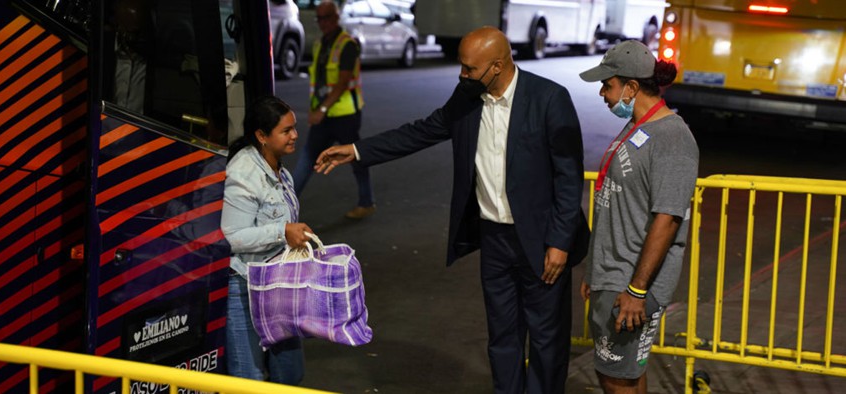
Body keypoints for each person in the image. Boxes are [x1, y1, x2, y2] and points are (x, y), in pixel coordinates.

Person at [314, 27, 590, 394]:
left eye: (469, 69)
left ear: (497, 66)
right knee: (502, 337)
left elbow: (569, 178)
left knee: (546, 339)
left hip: (542, 242)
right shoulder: (467, 97)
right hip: (494, 240)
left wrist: (560, 241)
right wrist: (357, 150)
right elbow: (420, 132)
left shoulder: (549, 98)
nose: (462, 75)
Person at [577, 40, 699, 393]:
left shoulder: (673, 138)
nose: (602, 93)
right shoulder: (636, 126)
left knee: (617, 379)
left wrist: (636, 290)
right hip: (612, 275)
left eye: (608, 84)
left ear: (631, 87)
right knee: (622, 373)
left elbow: (668, 219)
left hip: (631, 285)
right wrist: (595, 270)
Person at [220, 95, 313, 384]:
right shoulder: (244, 173)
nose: (295, 135)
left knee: (290, 373)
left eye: (294, 128)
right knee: (250, 379)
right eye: (286, 131)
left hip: (277, 288)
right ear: (262, 136)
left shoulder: (280, 171)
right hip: (245, 288)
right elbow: (232, 237)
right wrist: (283, 231)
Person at [292, 0, 375, 219]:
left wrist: (322, 109)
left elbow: (342, 82)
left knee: (356, 158)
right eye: (319, 18)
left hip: (345, 115)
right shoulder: (321, 43)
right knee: (308, 157)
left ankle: (366, 202)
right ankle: (286, 205)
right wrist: (317, 109)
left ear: (336, 18)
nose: (323, 23)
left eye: (327, 17)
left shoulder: (347, 44)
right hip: (325, 115)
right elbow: (319, 82)